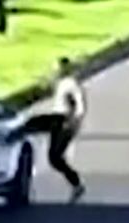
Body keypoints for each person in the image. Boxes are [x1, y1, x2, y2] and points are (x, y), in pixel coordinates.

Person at [7, 57, 87, 202]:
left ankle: (13, 136)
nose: (56, 72)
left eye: (58, 69)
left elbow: (80, 106)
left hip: (63, 121)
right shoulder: (62, 83)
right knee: (54, 158)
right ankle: (77, 184)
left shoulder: (70, 84)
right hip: (58, 120)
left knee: (54, 156)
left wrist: (73, 123)